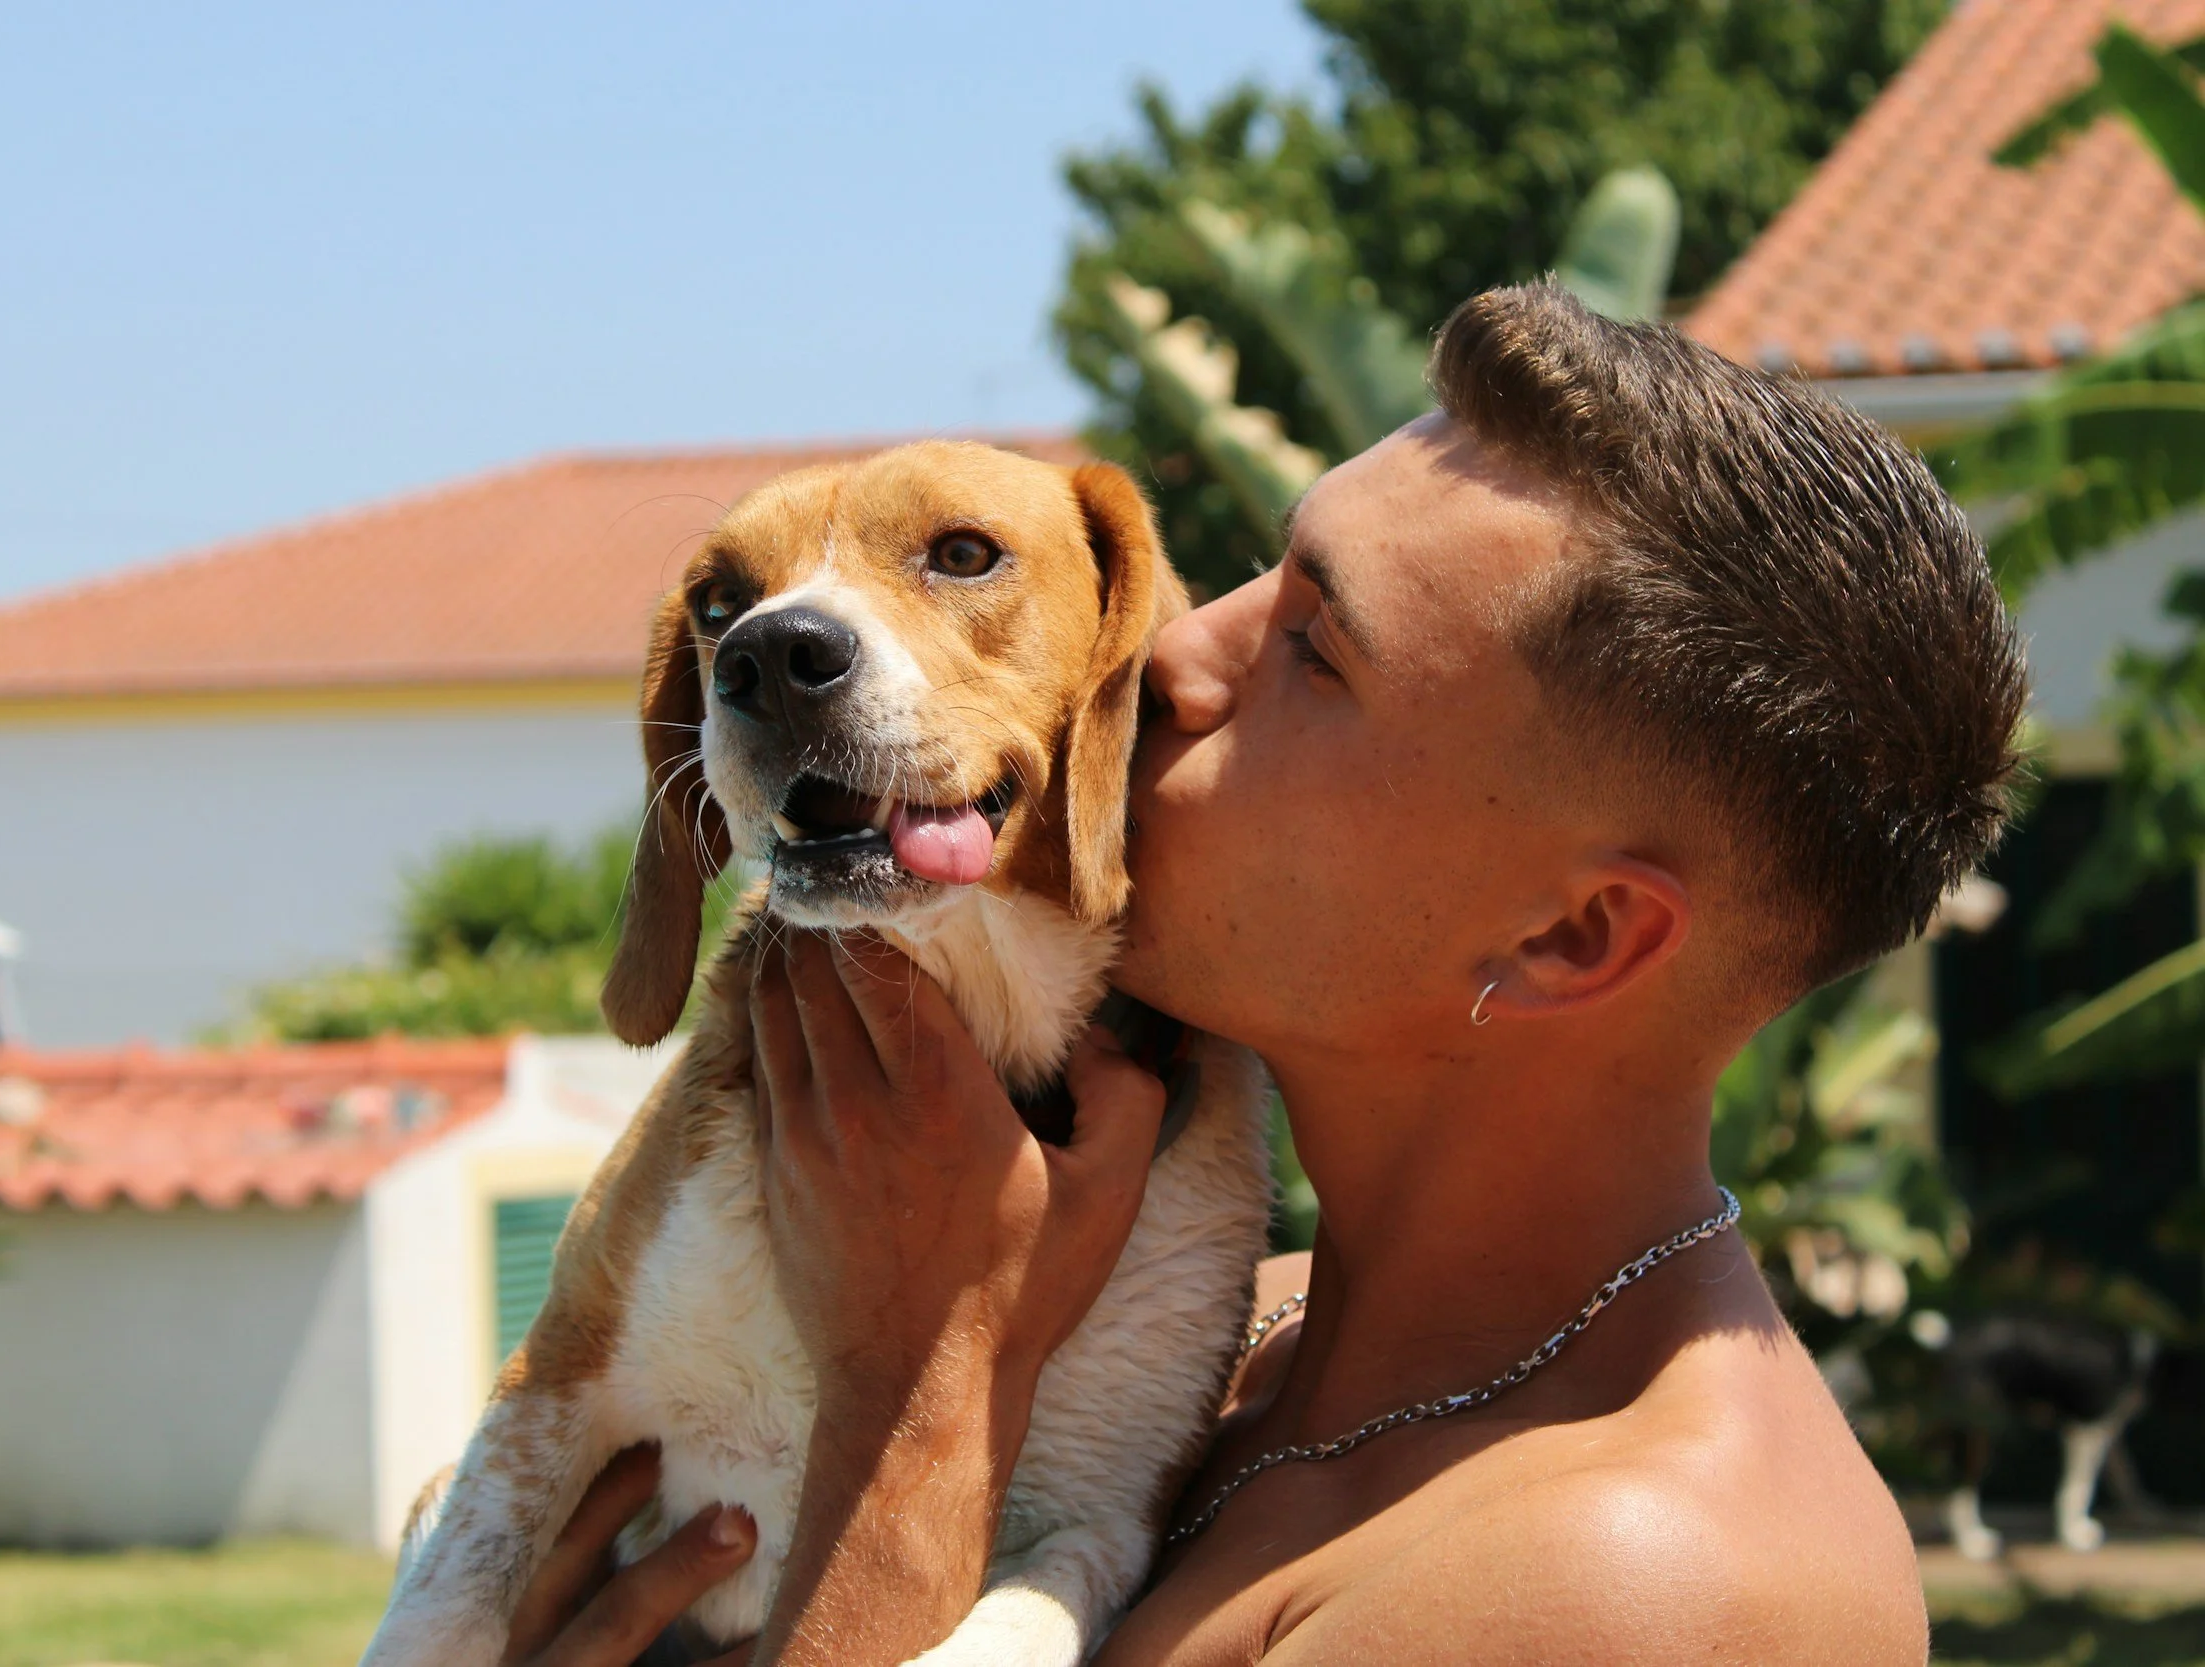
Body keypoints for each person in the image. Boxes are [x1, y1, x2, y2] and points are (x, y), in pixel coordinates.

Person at [508, 281, 2027, 1665]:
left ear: (1567, 938)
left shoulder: (1631, 1583)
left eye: (1317, 652)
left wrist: (921, 1388)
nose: (1164, 657)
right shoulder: (1234, 1332)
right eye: (1263, 572)